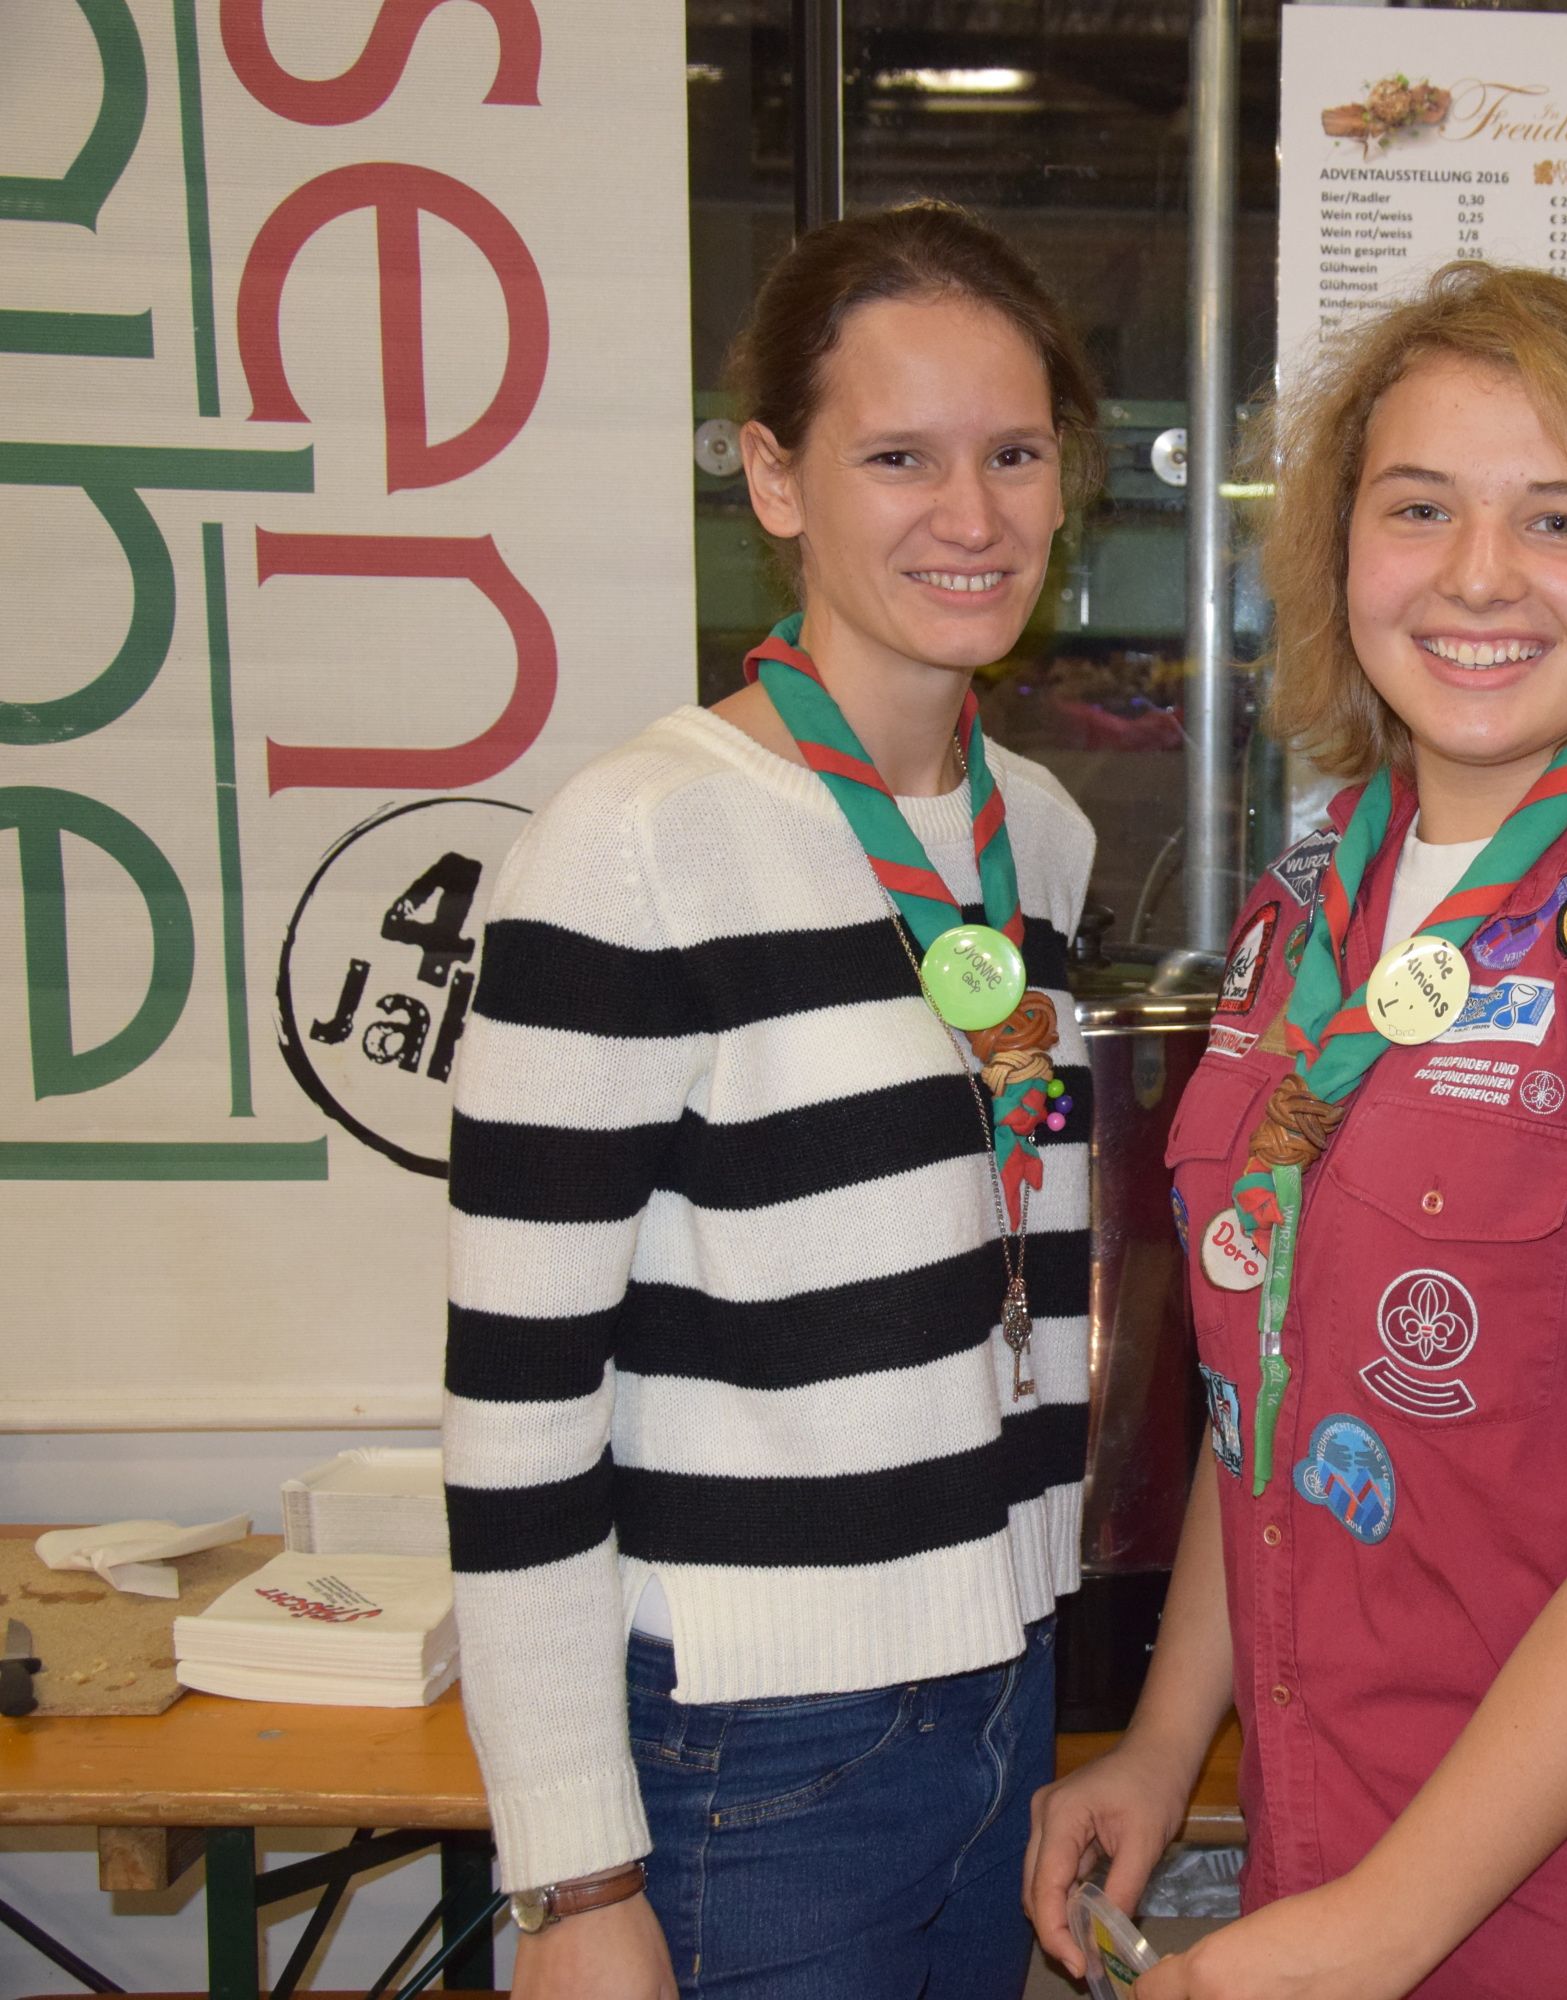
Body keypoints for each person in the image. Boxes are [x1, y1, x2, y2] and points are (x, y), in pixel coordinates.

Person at [1025, 263, 1567, 2000]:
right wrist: (1167, 1741)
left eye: (1560, 518)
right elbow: (1264, 1382)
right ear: (1343, 550)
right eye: (1419, 508)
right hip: (1320, 1855)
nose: (1479, 576)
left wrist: (1379, 1929)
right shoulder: (1308, 910)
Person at [443, 201, 1101, 1997]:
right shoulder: (637, 847)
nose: (972, 515)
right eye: (900, 457)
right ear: (776, 478)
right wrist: (573, 1877)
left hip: (1004, 1691)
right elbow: (517, 1406)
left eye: (1014, 453)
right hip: (752, 1754)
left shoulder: (1037, 836)